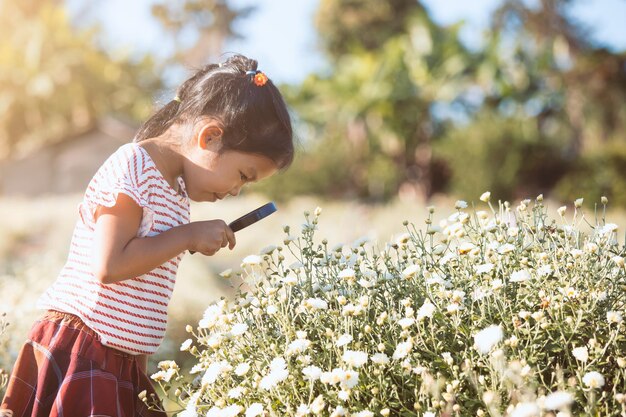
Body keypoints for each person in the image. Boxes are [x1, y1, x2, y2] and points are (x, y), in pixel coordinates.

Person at [0, 54, 294, 416]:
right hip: (82, 347)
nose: (237, 190)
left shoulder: (177, 194)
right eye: (243, 175)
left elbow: (140, 302)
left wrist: (137, 372)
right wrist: (187, 236)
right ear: (211, 136)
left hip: (122, 359)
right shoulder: (133, 165)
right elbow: (109, 265)